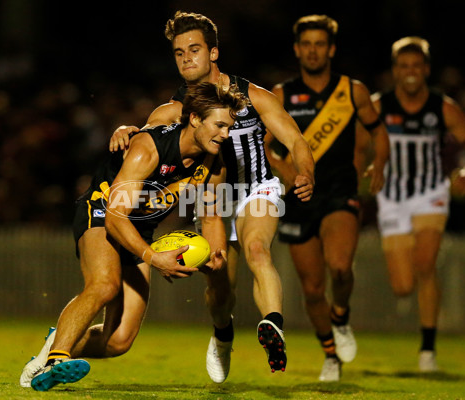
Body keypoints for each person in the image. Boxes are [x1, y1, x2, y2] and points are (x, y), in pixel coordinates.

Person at [109, 11, 315, 382]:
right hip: (212, 201)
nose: (186, 58)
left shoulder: (252, 95)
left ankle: (273, 326)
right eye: (178, 52)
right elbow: (147, 134)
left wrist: (306, 172)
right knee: (220, 293)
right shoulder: (174, 110)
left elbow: (296, 140)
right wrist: (127, 129)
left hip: (257, 188)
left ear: (214, 53)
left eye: (194, 49)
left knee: (257, 250)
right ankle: (223, 334)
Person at [20, 82, 249, 391]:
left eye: (229, 127)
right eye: (219, 125)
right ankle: (57, 358)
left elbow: (210, 217)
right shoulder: (149, 148)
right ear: (195, 119)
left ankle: (55, 347)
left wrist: (216, 254)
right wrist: (154, 257)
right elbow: (116, 218)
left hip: (140, 228)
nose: (225, 134)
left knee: (118, 341)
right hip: (103, 211)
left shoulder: (214, 165)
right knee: (105, 284)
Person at [264, 15, 390, 382]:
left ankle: (342, 317)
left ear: (331, 49)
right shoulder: (282, 95)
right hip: (300, 198)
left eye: (320, 44)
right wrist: (285, 171)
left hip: (340, 191)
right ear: (297, 49)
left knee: (340, 267)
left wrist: (379, 163)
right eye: (307, 44)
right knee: (313, 288)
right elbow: (265, 145)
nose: (313, 50)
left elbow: (378, 131)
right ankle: (330, 355)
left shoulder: (353, 91)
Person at [370, 36, 465, 372]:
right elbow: (360, 145)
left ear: (426, 70)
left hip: (430, 194)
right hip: (392, 198)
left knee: (425, 265)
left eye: (416, 66)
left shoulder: (444, 107)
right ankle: (421, 322)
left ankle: (427, 351)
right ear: (395, 71)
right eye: (403, 66)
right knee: (403, 286)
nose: (410, 72)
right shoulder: (379, 106)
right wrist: (368, 167)